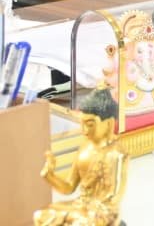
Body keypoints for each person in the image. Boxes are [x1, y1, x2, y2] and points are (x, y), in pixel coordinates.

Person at [35, 91, 128, 226]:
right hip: (81, 205)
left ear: (109, 123)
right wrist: (49, 175)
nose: (84, 130)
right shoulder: (84, 149)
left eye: (90, 125)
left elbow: (113, 197)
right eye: (82, 124)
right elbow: (68, 188)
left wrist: (87, 211)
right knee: (42, 216)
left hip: (103, 212)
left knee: (79, 223)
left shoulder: (116, 153)